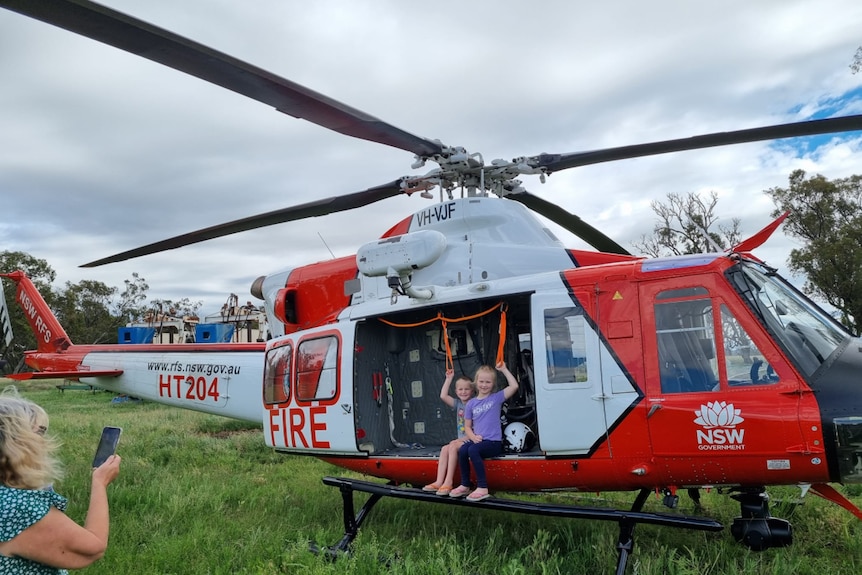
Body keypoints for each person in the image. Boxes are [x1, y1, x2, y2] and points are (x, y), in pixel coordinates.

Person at [0, 389, 122, 574]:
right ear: (15, 444)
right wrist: (99, 483)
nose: (43, 442)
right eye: (38, 433)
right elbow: (92, 549)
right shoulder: (16, 507)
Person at [449, 361, 519, 502]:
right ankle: (465, 484)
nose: (484, 385)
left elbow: (514, 386)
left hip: (493, 442)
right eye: (481, 381)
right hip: (478, 440)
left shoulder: (496, 398)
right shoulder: (471, 404)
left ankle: (482, 487)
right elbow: (467, 427)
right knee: (463, 450)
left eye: (488, 382)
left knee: (473, 451)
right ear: (476, 382)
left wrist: (504, 369)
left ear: (493, 384)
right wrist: (473, 437)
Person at [422, 369, 476, 496]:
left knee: (451, 446)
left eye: (466, 389)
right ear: (456, 391)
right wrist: (448, 379)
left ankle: (449, 481)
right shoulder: (458, 404)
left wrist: (461, 440)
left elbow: (476, 428)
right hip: (461, 440)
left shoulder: (474, 404)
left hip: (471, 439)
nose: (463, 392)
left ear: (472, 391)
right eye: (460, 389)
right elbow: (443, 396)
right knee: (444, 449)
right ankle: (439, 481)